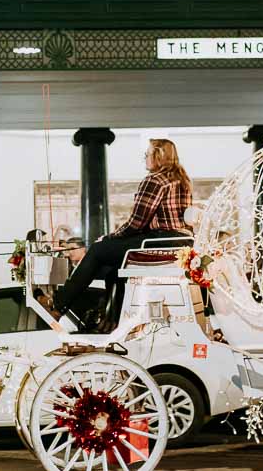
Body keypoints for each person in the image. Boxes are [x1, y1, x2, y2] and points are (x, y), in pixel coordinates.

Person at [55, 138, 192, 332]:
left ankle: (59, 304)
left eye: (147, 154)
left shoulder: (155, 180)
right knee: (114, 268)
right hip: (179, 243)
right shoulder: (182, 179)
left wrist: (109, 238)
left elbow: (136, 223)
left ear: (158, 156)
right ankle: (112, 321)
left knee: (97, 250)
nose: (145, 158)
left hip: (160, 241)